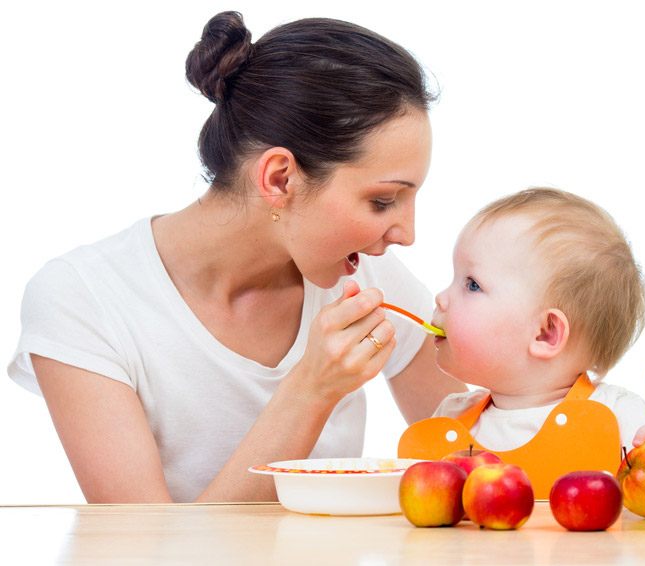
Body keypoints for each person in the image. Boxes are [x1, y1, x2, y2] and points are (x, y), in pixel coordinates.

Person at [6, 11, 465, 503]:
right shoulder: (84, 299)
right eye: (382, 201)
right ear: (279, 179)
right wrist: (310, 389)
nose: (408, 234)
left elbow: (484, 460)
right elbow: (143, 549)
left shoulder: (362, 275)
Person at [429, 187, 645, 451]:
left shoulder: (620, 417)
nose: (440, 297)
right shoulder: (449, 419)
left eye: (472, 284)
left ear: (545, 333)